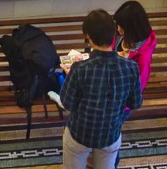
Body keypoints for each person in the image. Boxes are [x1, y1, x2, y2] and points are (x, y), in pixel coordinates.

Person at [59, 9, 142, 169]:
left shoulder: (79, 69)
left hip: (80, 133)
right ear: (114, 35)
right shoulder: (131, 67)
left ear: (88, 37)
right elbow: (135, 103)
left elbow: (67, 103)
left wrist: (70, 76)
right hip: (110, 133)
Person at [114, 0, 157, 91]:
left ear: (131, 29)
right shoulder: (121, 36)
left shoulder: (142, 59)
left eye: (121, 26)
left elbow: (136, 91)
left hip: (120, 94)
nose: (117, 28)